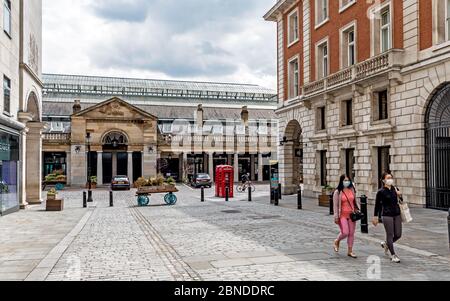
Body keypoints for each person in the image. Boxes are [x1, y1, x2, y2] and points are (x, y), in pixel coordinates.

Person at [372, 172, 403, 263]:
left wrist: (399, 195)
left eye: (391, 178)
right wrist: (375, 216)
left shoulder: (395, 188)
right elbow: (377, 205)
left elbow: (401, 201)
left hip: (397, 214)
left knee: (398, 234)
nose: (390, 179)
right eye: (388, 178)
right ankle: (393, 255)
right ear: (383, 180)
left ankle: (386, 244)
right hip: (386, 215)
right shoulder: (381, 191)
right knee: (390, 234)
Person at [333, 175, 359, 259]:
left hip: (351, 215)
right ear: (341, 181)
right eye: (345, 180)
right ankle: (337, 240)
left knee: (351, 233)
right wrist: (336, 216)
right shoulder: (338, 192)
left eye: (348, 180)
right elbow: (335, 206)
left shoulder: (352, 190)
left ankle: (350, 251)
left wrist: (356, 209)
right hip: (342, 215)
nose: (346, 182)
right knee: (345, 232)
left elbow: (354, 202)